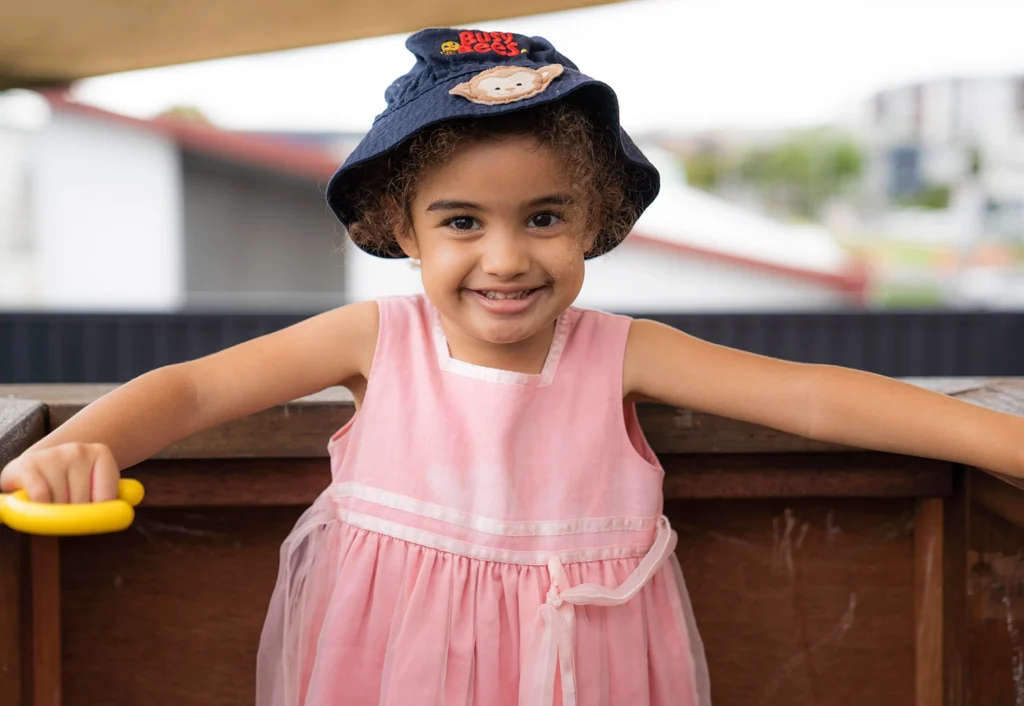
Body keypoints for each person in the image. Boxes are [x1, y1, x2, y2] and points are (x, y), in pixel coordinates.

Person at [2, 26, 1023, 706]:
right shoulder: (374, 339)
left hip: (586, 670)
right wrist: (79, 445)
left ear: (594, 222)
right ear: (401, 227)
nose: (505, 257)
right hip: (382, 663)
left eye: (543, 217)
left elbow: (808, 393)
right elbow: (191, 388)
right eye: (462, 222)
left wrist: (1003, 440)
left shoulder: (619, 350)